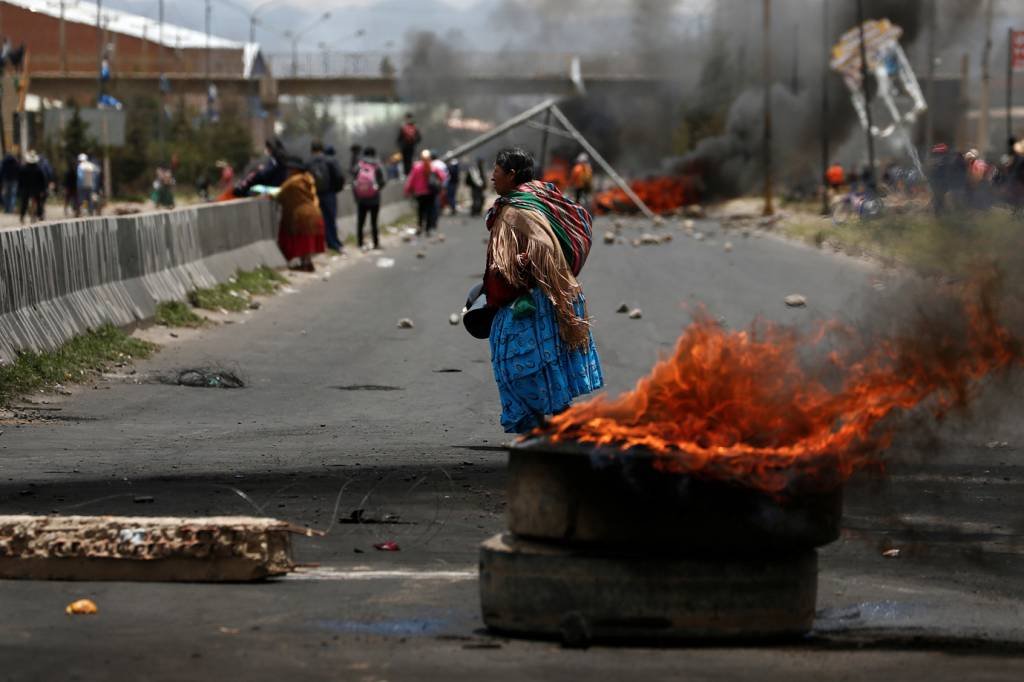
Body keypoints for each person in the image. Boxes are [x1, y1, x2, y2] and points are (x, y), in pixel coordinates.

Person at [482, 146, 603, 433]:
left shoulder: (517, 210)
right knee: (548, 361)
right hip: (552, 294)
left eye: (496, 173)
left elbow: (543, 246)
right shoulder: (541, 195)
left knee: (519, 363)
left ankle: (542, 428)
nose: (491, 179)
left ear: (511, 175)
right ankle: (557, 424)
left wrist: (522, 264)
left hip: (536, 297)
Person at [275, 156, 325, 272]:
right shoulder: (308, 179)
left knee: (302, 240)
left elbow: (280, 195)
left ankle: (305, 264)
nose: (288, 171)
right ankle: (308, 263)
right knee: (308, 240)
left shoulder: (292, 182)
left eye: (290, 169)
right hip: (315, 211)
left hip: (302, 214)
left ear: (295, 169)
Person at [308, 139, 345, 253]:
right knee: (331, 219)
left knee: (320, 220)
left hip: (315, 195)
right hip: (329, 193)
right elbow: (339, 176)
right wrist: (336, 189)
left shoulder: (309, 163)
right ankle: (334, 242)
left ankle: (324, 243)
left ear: (312, 149)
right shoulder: (330, 160)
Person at [352, 146, 387, 250]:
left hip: (361, 198)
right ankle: (376, 243)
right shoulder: (377, 164)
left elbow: (353, 182)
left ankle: (360, 243)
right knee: (374, 222)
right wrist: (377, 188)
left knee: (361, 222)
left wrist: (357, 196)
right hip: (374, 198)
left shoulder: (359, 165)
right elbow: (384, 180)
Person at [405, 149, 443, 236]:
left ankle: (419, 227)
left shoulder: (417, 167)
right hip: (430, 193)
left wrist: (408, 190)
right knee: (430, 210)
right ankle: (428, 229)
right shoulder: (433, 167)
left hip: (420, 193)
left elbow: (411, 180)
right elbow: (442, 177)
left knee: (421, 211)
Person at [17, 150, 47, 224]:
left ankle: (22, 216)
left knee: (24, 203)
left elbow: (20, 180)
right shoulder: (38, 169)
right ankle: (40, 215)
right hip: (36, 189)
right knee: (38, 202)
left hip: (26, 189)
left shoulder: (23, 169)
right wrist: (43, 190)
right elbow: (42, 180)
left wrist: (20, 189)